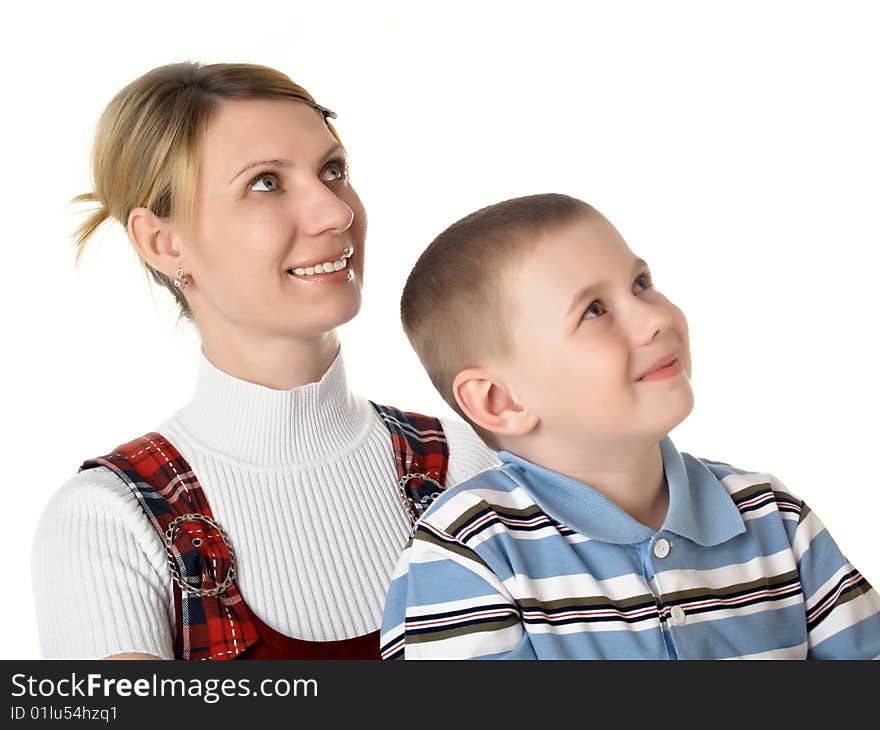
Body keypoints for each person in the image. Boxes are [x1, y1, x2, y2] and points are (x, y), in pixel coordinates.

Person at [31, 62, 498, 660]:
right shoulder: (108, 523)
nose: (336, 213)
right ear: (162, 242)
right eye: (266, 183)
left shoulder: (462, 464)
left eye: (333, 171)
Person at [380, 193, 880, 659]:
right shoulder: (470, 550)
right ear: (500, 399)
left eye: (641, 283)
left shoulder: (773, 515)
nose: (652, 319)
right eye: (594, 310)